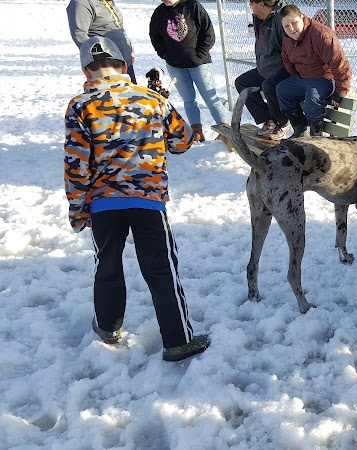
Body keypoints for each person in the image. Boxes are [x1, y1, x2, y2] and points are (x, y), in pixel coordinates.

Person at [64, 36, 210, 362]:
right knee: (162, 270)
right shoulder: (151, 100)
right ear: (124, 65)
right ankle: (177, 340)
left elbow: (76, 163)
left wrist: (78, 208)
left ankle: (108, 327)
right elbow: (183, 141)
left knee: (108, 265)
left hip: (103, 204)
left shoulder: (80, 106)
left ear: (87, 72)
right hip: (149, 202)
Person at [149, 0, 230, 143]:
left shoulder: (193, 6)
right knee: (188, 100)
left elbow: (208, 33)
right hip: (175, 65)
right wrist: (165, 54)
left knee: (210, 98)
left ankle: (225, 130)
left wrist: (199, 54)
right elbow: (155, 37)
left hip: (200, 64)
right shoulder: (159, 13)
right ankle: (196, 131)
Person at [273, 4, 352, 138]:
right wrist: (295, 77)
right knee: (282, 90)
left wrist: (340, 91)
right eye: (287, 26)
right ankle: (300, 131)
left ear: (302, 18)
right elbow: (286, 60)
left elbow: (340, 63)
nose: (291, 29)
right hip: (303, 77)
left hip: (324, 78)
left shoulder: (320, 34)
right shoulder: (288, 39)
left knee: (312, 96)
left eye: (294, 23)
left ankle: (316, 137)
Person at [234, 0, 287, 136]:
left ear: (261, 4)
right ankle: (269, 119)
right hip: (265, 69)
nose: (249, 5)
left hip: (282, 71)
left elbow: (290, 50)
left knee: (268, 85)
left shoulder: (282, 18)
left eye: (251, 2)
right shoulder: (259, 18)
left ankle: (283, 122)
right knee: (242, 82)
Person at [67, 0, 137, 83]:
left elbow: (116, 26)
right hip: (108, 69)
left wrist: (129, 48)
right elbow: (79, 35)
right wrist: (101, 65)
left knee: (131, 94)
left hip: (124, 64)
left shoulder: (106, 1)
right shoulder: (82, 2)